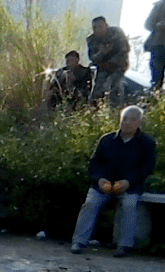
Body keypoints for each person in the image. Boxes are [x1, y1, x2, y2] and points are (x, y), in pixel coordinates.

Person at [70, 106, 156, 258]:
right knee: (90, 202)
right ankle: (79, 241)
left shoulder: (147, 143)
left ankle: (124, 245)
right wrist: (100, 179)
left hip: (130, 187)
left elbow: (147, 168)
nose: (127, 122)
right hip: (103, 185)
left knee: (129, 205)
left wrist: (129, 182)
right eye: (125, 119)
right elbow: (94, 164)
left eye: (133, 119)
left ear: (139, 123)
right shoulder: (107, 140)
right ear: (120, 120)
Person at [87, 16, 129, 106]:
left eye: (100, 27)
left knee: (115, 87)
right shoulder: (91, 39)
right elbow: (92, 57)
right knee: (97, 92)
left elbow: (125, 49)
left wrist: (110, 60)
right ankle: (94, 110)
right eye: (95, 28)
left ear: (106, 25)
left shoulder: (117, 33)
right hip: (103, 68)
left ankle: (116, 108)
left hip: (118, 65)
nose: (98, 30)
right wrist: (101, 53)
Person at [145, 0, 165, 90]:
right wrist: (159, 25)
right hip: (159, 46)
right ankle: (155, 98)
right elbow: (148, 24)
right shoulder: (160, 5)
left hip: (158, 46)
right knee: (156, 81)